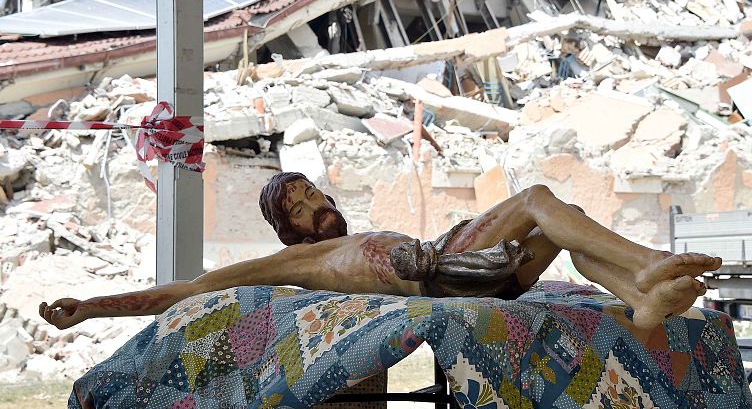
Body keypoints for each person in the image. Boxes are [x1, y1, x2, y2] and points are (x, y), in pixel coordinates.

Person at [40, 172, 721, 331]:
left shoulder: (353, 237)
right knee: (539, 196)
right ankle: (648, 261)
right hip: (446, 267)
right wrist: (92, 307)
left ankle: (640, 297)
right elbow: (192, 286)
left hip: (474, 270)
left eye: (310, 191)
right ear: (289, 233)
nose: (314, 205)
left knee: (561, 232)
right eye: (298, 209)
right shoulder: (294, 264)